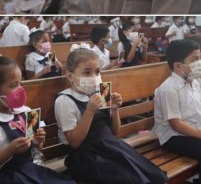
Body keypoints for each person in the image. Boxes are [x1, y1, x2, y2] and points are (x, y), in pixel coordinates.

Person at [54, 48, 167, 183]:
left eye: (97, 72)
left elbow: (114, 131)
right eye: (87, 72)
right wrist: (89, 111)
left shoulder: (100, 94)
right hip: (88, 156)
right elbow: (74, 142)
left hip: (111, 147)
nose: (94, 77)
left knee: (155, 176)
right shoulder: (65, 101)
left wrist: (114, 110)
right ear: (70, 76)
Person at [0, 56, 74, 184]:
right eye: (14, 85)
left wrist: (37, 141)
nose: (20, 89)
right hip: (0, 177)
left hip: (29, 170)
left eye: (20, 83)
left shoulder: (26, 111)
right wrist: (9, 150)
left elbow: (37, 150)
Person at [154, 39, 201, 182]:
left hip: (193, 129)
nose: (199, 62)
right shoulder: (169, 89)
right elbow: (176, 125)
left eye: (200, 58)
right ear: (178, 66)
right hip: (174, 136)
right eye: (195, 59)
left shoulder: (194, 81)